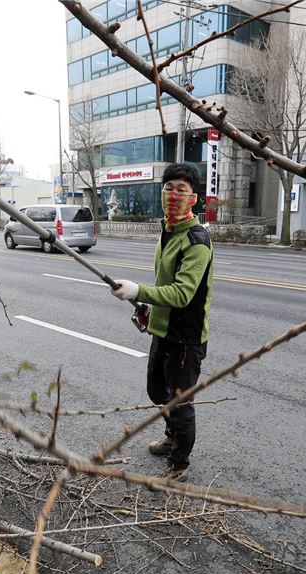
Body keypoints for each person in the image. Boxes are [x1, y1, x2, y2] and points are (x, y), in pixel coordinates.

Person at [110, 163, 214, 482]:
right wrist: (147, 308)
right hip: (163, 329)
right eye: (168, 188)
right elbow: (164, 282)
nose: (173, 195)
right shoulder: (168, 230)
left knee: (180, 401)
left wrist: (138, 290)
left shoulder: (196, 240)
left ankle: (179, 463)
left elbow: (183, 293)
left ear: (193, 199)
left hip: (186, 336)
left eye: (181, 190)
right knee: (158, 391)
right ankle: (171, 436)